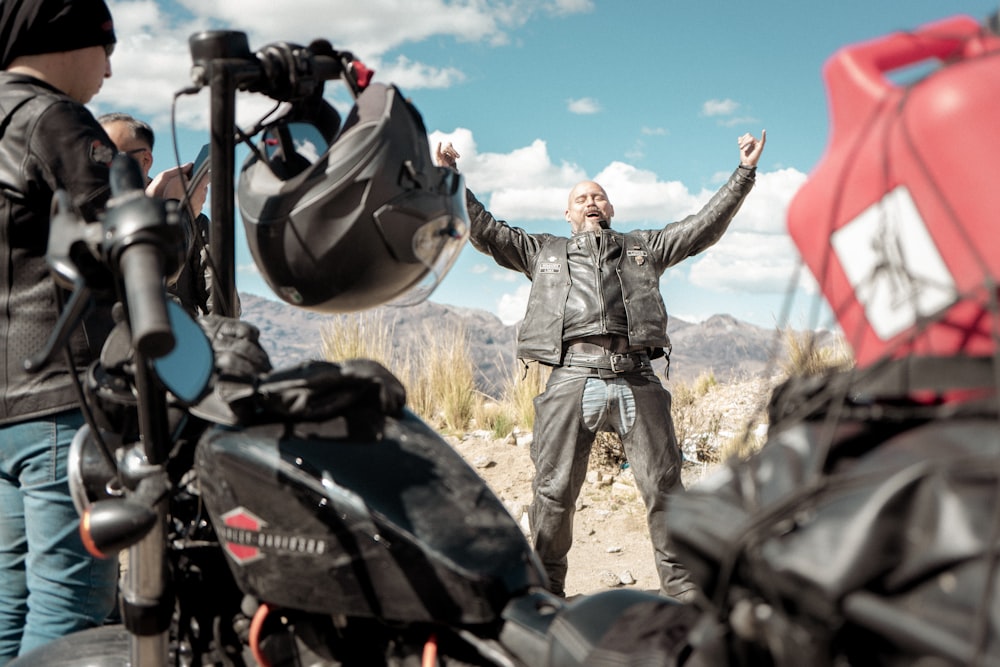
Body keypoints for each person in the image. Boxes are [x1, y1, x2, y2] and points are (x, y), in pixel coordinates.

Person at [435, 130, 765, 600]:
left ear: (609, 210)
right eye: (581, 198)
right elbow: (485, 230)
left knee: (666, 490)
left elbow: (699, 228)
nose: (591, 201)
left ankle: (682, 595)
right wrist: (451, 180)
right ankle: (546, 596)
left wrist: (743, 173)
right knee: (552, 493)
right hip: (572, 376)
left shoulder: (643, 247)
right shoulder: (541, 251)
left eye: (599, 196)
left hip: (637, 377)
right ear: (567, 214)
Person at [0, 1, 188, 662]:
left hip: (7, 407)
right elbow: (129, 237)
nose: (109, 68)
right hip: (62, 407)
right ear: (65, 37)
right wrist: (168, 217)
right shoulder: (53, 117)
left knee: (11, 607)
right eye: (103, 47)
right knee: (73, 613)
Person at [97, 111, 222, 316]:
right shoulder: (87, 218)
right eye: (95, 156)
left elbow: (221, 303)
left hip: (177, 341)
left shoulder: (194, 220)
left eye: (111, 156)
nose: (101, 166)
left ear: (145, 160)